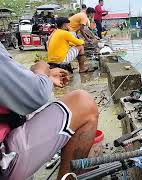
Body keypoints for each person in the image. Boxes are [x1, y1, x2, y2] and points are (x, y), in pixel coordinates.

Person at [0, 42, 99, 179]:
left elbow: (11, 84)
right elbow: (35, 95)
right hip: (3, 160)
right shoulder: (69, 33)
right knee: (83, 103)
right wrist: (40, 70)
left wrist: (44, 78)